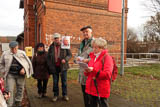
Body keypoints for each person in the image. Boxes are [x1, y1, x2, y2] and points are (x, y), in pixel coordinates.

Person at [0, 41, 33, 107]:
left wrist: (24, 68)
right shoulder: (5, 53)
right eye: (12, 49)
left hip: (20, 75)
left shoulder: (22, 53)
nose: (14, 50)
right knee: (9, 89)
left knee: (20, 89)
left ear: (18, 46)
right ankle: (9, 104)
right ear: (10, 48)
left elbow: (28, 63)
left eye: (15, 48)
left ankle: (18, 103)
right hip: (10, 75)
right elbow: (1, 63)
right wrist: (3, 70)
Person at [84, 38, 113, 107]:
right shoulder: (93, 57)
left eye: (96, 48)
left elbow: (107, 74)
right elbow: (89, 73)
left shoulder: (107, 58)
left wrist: (93, 70)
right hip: (91, 88)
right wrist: (86, 71)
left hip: (101, 88)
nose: (93, 49)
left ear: (102, 48)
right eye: (93, 47)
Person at [47, 33, 72, 102]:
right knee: (55, 82)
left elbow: (69, 55)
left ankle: (65, 95)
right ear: (53, 39)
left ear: (60, 38)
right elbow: (48, 57)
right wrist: (50, 65)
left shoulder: (65, 45)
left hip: (63, 67)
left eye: (57, 38)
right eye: (55, 38)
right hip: (54, 67)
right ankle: (55, 95)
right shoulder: (51, 47)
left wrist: (65, 59)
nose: (56, 39)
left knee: (64, 82)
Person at [75, 25, 93, 107]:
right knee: (84, 93)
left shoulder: (94, 43)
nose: (85, 33)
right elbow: (77, 55)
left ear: (91, 32)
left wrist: (87, 60)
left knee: (91, 95)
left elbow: (98, 57)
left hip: (90, 73)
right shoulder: (82, 43)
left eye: (87, 31)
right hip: (82, 73)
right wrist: (76, 59)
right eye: (84, 32)